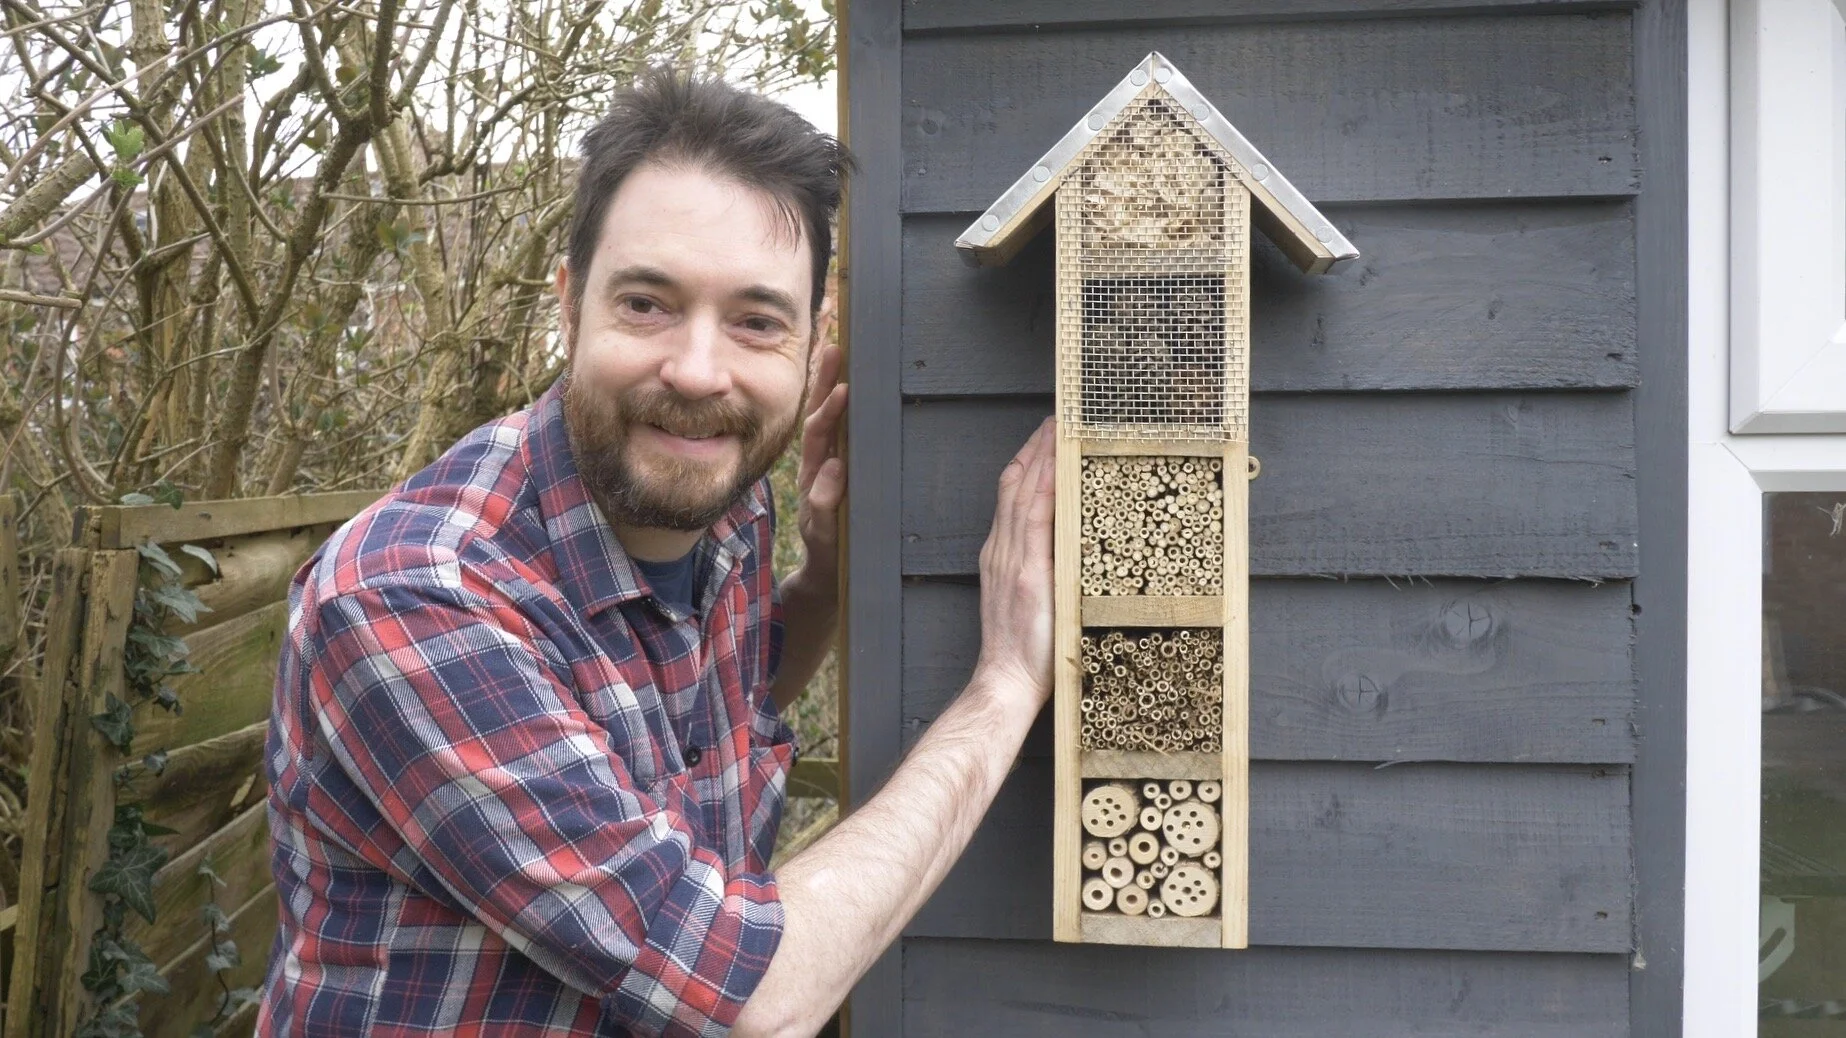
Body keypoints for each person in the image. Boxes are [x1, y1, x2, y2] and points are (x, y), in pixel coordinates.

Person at [257, 67, 1055, 1038]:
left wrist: (827, 583)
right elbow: (752, 997)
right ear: (568, 302)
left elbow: (706, 703)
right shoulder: (412, 603)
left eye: (757, 321)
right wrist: (1006, 682)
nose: (697, 370)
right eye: (647, 304)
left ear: (813, 347)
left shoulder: (726, 512)